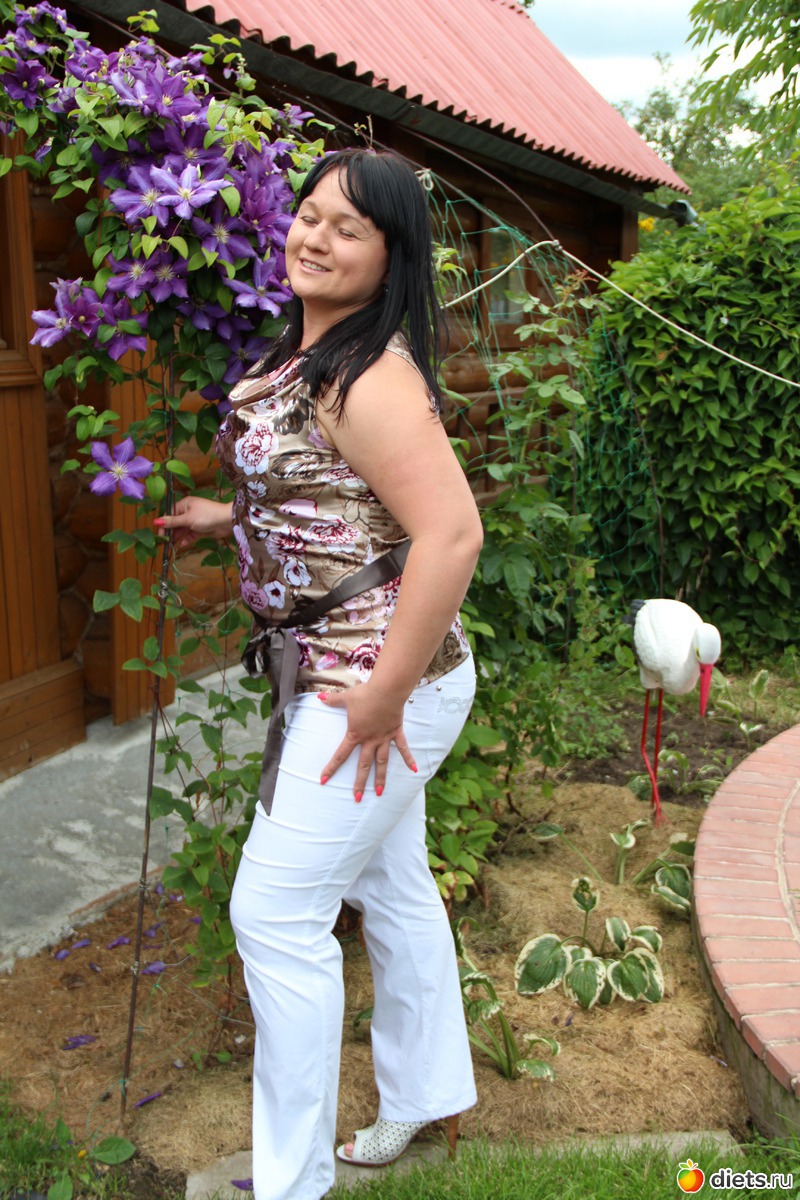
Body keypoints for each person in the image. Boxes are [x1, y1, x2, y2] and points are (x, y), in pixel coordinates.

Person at [154, 148, 484, 1200]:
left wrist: (385, 694)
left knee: (272, 914)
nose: (315, 237)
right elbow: (327, 487)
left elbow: (452, 535)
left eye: (349, 228)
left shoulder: (368, 375)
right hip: (357, 674)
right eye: (307, 214)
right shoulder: (313, 356)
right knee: (391, 884)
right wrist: (229, 516)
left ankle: (291, 1184)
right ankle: (424, 1095)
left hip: (374, 687)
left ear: (390, 256)